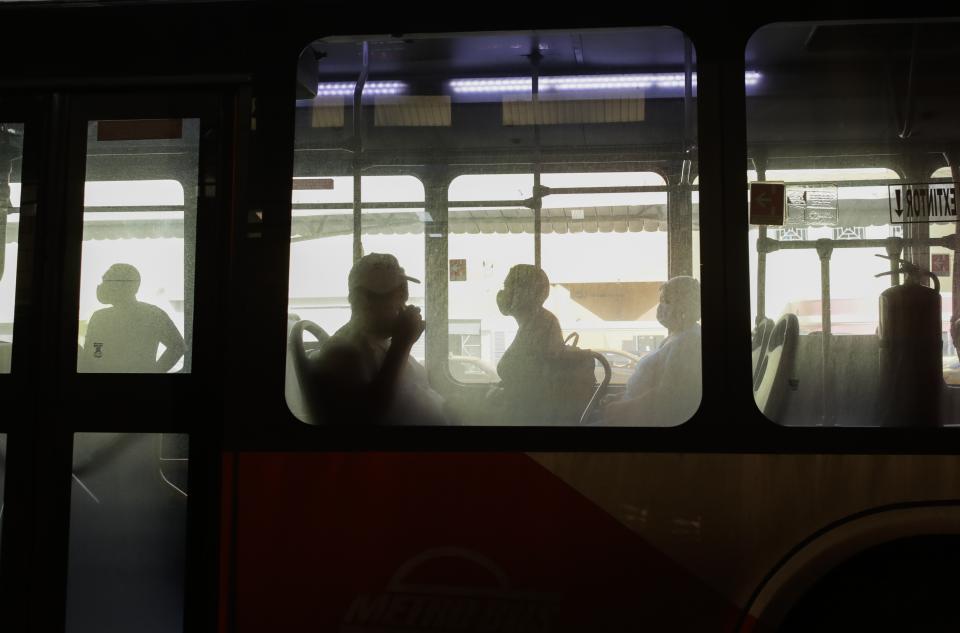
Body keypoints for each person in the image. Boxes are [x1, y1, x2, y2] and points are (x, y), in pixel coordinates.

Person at [306, 253, 447, 425]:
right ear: (362, 301)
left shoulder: (381, 341)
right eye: (397, 297)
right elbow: (370, 417)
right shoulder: (343, 351)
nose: (404, 306)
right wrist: (403, 342)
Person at [600, 276, 702, 426]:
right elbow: (651, 385)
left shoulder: (689, 342)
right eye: (660, 301)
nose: (660, 306)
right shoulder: (675, 336)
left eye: (666, 301)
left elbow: (668, 397)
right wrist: (620, 397)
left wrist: (623, 408)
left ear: (684, 305)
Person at [78, 263, 186, 373]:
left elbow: (92, 358)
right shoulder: (153, 314)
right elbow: (178, 347)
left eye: (106, 281)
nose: (101, 286)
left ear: (122, 286)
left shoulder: (99, 318)